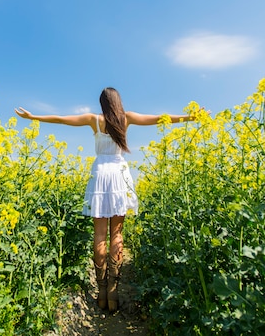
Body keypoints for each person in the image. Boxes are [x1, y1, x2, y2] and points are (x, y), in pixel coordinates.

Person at [15, 87, 197, 312]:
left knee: (99, 234)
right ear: (118, 101)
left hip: (100, 174)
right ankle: (113, 290)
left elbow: (62, 119)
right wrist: (190, 117)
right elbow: (160, 119)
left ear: (102, 103)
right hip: (119, 173)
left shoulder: (94, 120)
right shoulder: (126, 117)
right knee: (117, 234)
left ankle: (101, 291)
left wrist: (33, 117)